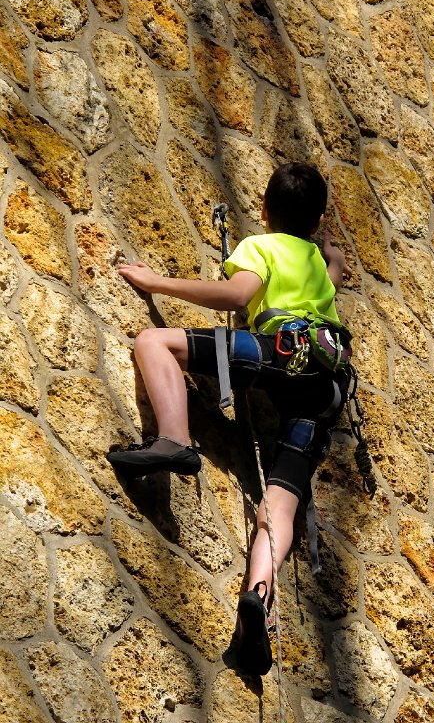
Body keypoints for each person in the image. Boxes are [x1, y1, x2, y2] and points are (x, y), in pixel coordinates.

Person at [107, 162, 351, 676]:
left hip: (279, 353)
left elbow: (238, 296)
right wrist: (328, 250)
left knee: (154, 342)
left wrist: (159, 283)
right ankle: (258, 600)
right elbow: (334, 270)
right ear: (318, 220)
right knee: (276, 510)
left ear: (263, 210)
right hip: (324, 388)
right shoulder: (318, 264)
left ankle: (174, 439)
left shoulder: (261, 247)